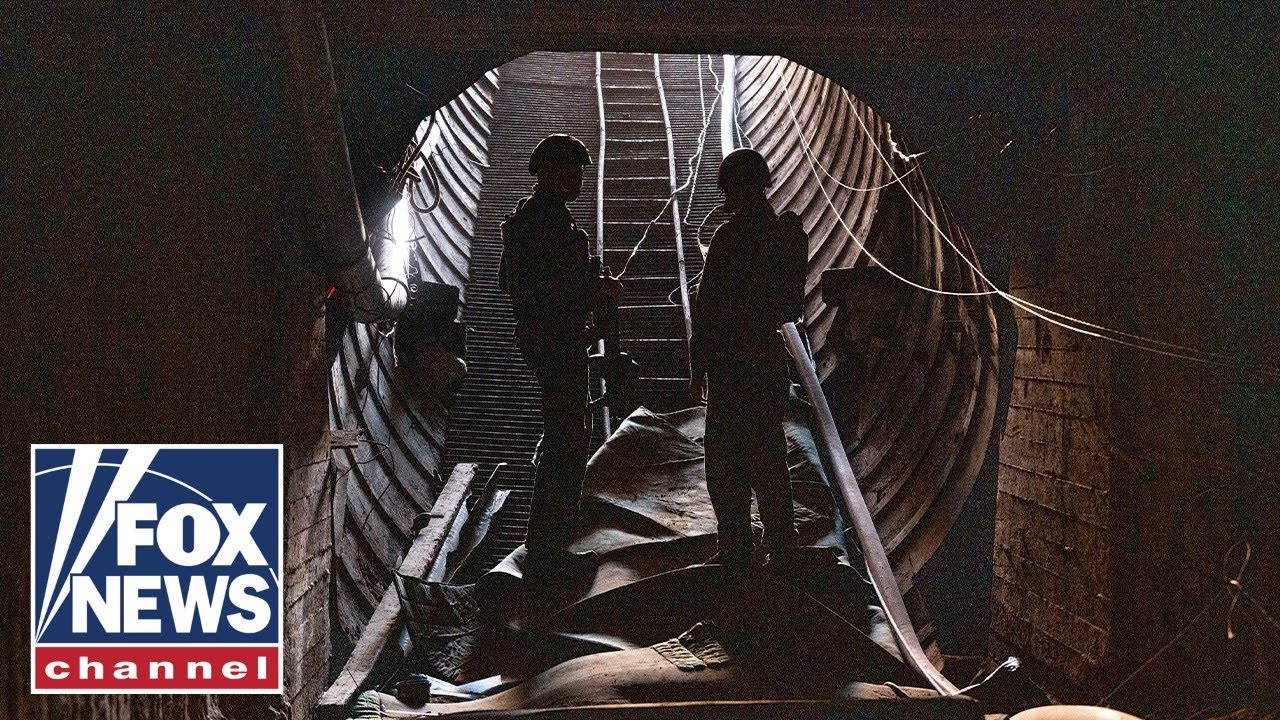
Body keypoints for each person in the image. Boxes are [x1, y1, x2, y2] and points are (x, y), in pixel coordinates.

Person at [499, 134, 624, 582]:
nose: (578, 179)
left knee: (565, 438)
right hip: (554, 344)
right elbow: (543, 287)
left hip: (550, 340)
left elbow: (513, 282)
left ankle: (550, 544)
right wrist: (595, 290)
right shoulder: (546, 223)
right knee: (565, 443)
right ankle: (548, 551)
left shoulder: (536, 218)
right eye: (570, 171)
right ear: (547, 173)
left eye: (580, 171)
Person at [688, 148, 808, 571]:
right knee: (769, 454)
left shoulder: (728, 237)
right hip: (767, 360)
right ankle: (782, 545)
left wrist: (698, 368)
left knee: (725, 460)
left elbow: (707, 310)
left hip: (731, 363)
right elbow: (791, 308)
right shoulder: (787, 234)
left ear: (733, 189)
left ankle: (736, 547)